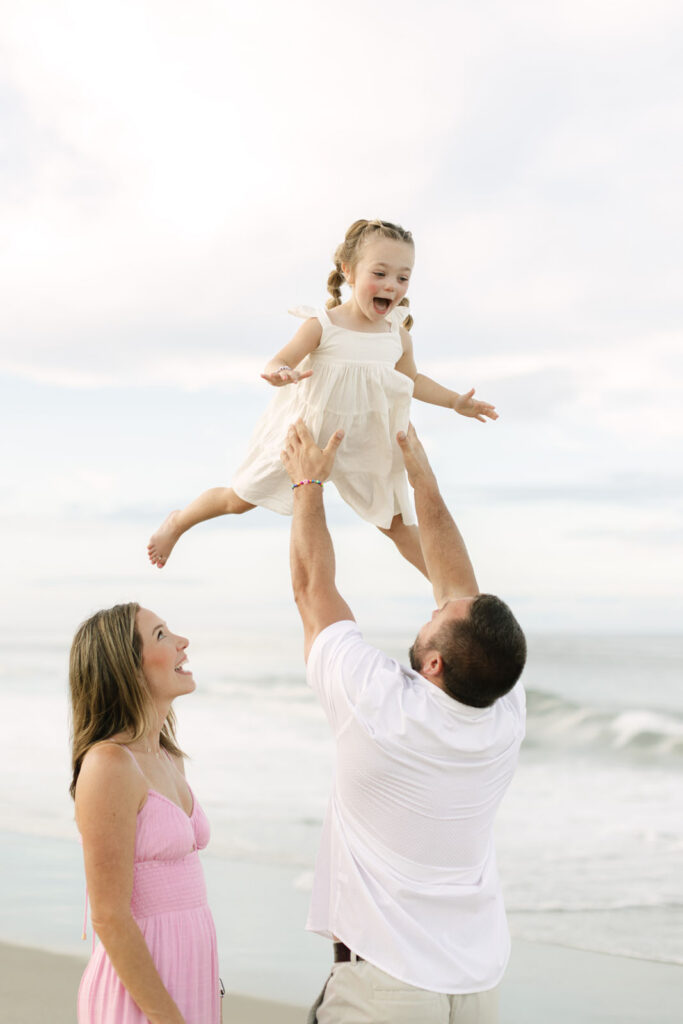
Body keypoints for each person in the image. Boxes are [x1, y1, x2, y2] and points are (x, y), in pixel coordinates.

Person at [279, 420, 527, 1024]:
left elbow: (313, 588)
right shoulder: (502, 704)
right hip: (476, 980)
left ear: (435, 663)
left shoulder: (378, 705)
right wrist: (417, 475)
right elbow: (457, 582)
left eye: (438, 615)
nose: (436, 602)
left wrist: (308, 481)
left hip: (389, 983)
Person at [148, 218, 497, 576]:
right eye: (380, 273)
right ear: (348, 271)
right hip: (307, 437)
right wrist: (281, 372)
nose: (391, 286)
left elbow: (412, 379)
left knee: (395, 524)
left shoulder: (397, 334)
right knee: (237, 500)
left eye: (402, 278)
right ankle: (179, 521)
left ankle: (458, 594)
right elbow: (280, 359)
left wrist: (455, 401)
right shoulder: (323, 325)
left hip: (366, 438)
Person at [69, 603, 221, 1024]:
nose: (182, 643)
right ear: (125, 667)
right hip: (140, 1000)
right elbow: (109, 913)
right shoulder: (108, 765)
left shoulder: (171, 759)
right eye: (161, 636)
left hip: (190, 982)